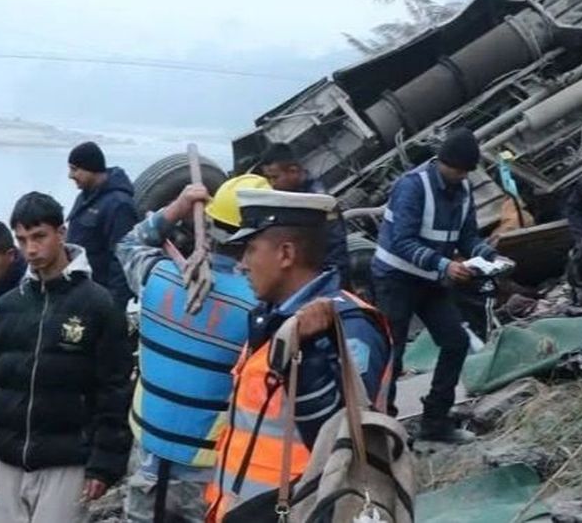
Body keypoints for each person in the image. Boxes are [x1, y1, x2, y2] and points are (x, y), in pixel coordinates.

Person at [0, 191, 131, 523]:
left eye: (39, 237)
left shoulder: (98, 305)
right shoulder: (9, 306)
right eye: (22, 240)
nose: (31, 249)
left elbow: (114, 389)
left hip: (66, 463)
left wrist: (104, 463)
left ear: (61, 233)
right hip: (7, 460)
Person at [205, 188, 391, 521]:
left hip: (303, 510)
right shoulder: (273, 318)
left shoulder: (348, 327)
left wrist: (311, 360)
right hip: (247, 510)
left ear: (286, 254)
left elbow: (343, 440)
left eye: (250, 250)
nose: (242, 265)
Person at [116, 176, 263, 523]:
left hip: (148, 461)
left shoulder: (158, 276)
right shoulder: (259, 309)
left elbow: (128, 244)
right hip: (207, 473)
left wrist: (176, 208)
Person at [370, 128, 500, 443]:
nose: (462, 177)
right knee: (392, 355)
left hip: (430, 280)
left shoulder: (463, 188)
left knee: (455, 342)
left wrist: (487, 255)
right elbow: (402, 241)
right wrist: (444, 265)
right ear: (444, 162)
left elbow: (466, 236)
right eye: (458, 171)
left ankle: (435, 421)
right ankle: (384, 431)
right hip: (395, 279)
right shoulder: (412, 186)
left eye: (466, 172)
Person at [258, 142, 349, 286]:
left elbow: (336, 246)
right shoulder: (289, 196)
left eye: (275, 177)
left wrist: (328, 284)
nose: (271, 184)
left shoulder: (320, 202)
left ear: (293, 171)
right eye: (268, 179)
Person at [65, 141, 140, 307]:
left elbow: (122, 258)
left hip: (101, 297)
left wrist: (113, 305)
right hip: (79, 291)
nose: (70, 175)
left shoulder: (119, 205)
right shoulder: (85, 197)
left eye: (74, 169)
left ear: (90, 168)